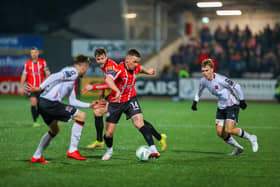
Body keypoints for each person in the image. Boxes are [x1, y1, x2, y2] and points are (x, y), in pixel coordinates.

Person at [83, 48, 167, 154]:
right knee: (98, 112)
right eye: (98, 59)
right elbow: (109, 81)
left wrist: (93, 87)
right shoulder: (106, 66)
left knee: (139, 122)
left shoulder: (112, 67)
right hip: (116, 96)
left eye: (102, 58)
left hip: (125, 96)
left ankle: (158, 139)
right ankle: (100, 141)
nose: (100, 61)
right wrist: (104, 93)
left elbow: (109, 82)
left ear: (106, 57)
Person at [25, 54, 105, 163]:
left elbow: (73, 101)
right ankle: (72, 150)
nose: (85, 72)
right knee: (81, 116)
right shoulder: (73, 72)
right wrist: (39, 87)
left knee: (55, 129)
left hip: (43, 103)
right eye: (86, 68)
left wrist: (90, 105)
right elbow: (53, 76)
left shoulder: (71, 79)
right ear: (84, 67)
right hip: (50, 103)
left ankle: (36, 156)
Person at [191, 58, 258, 156]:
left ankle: (251, 137)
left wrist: (242, 100)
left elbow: (237, 86)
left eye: (207, 70)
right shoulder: (203, 81)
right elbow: (199, 91)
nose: (204, 73)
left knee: (228, 130)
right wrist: (195, 102)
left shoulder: (221, 80)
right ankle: (238, 148)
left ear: (212, 69)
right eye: (203, 71)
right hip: (221, 107)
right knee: (219, 132)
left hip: (232, 105)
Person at [20, 47, 50, 127]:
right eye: (32, 52)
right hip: (31, 87)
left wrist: (46, 83)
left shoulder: (43, 62)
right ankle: (35, 121)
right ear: (30, 54)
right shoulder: (27, 64)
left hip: (40, 88)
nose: (33, 54)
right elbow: (24, 75)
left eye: (35, 52)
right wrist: (21, 87)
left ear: (38, 53)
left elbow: (47, 73)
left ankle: (38, 118)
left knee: (41, 105)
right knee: (33, 101)